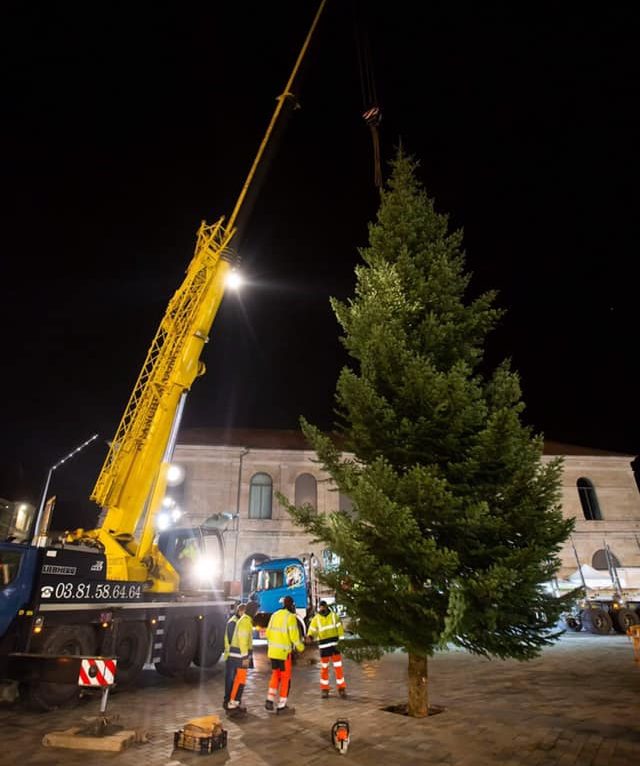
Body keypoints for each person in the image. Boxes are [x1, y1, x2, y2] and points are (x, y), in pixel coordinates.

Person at [265, 595, 304, 714]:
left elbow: (268, 633)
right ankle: (281, 706)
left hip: (273, 653)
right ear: (291, 605)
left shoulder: (275, 615)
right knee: (285, 679)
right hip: (283, 654)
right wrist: (301, 647)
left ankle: (269, 700)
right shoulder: (290, 617)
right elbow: (294, 637)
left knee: (275, 676)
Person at [306, 600, 347, 698]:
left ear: (326, 607)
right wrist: (310, 637)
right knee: (325, 668)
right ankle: (325, 689)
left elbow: (340, 630)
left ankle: (341, 688)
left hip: (333, 647)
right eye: (320, 607)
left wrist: (342, 642)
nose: (322, 609)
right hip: (326, 647)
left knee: (337, 668)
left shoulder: (333, 616)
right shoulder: (317, 619)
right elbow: (312, 631)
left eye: (322, 607)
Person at [223, 601, 256, 715]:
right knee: (237, 681)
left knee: (238, 681)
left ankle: (233, 702)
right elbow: (241, 640)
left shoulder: (242, 620)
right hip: (237, 656)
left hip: (236, 655)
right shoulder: (244, 621)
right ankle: (231, 703)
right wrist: (245, 656)